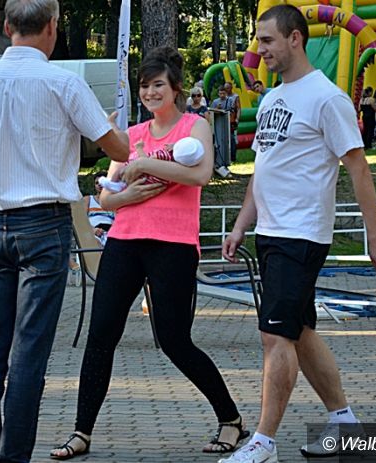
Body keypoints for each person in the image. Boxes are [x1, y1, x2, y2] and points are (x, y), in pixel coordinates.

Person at [0, 1, 129, 462]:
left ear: (7, 26)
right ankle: (13, 456)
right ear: (52, 27)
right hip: (44, 224)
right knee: (29, 350)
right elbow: (119, 149)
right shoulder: (64, 82)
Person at [51, 46, 249, 461]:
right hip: (125, 241)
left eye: (158, 85)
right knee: (101, 335)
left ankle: (230, 419)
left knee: (174, 341)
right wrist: (128, 194)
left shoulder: (195, 126)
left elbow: (200, 174)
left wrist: (143, 166)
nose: (150, 93)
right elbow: (106, 197)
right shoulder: (134, 135)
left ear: (175, 88)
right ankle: (81, 432)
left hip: (173, 245)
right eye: (144, 86)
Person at [219, 6, 376, 463]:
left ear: (295, 38)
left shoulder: (327, 98)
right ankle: (345, 422)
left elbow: (358, 168)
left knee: (274, 336)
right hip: (271, 232)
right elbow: (263, 169)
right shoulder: (273, 99)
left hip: (301, 235)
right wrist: (241, 225)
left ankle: (263, 442)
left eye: (267, 41)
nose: (260, 50)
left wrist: (374, 237)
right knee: (298, 331)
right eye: (259, 41)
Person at [84, 171, 114, 246]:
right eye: (97, 183)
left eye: (101, 182)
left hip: (110, 232)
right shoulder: (88, 199)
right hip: (92, 232)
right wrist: (92, 230)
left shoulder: (114, 201)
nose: (99, 185)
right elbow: (82, 220)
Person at [224, 81, 241, 162]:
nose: (226, 90)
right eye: (225, 88)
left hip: (232, 120)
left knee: (232, 138)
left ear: (231, 88)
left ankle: (233, 157)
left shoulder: (235, 96)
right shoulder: (223, 97)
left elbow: (238, 108)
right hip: (224, 120)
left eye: (227, 88)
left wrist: (237, 118)